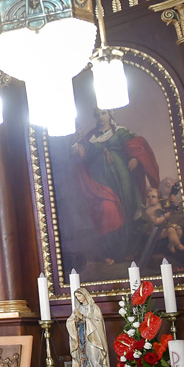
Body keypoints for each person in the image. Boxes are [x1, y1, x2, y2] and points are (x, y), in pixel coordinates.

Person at [71, 109, 159, 262]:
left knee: (128, 208)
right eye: (98, 114)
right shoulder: (91, 137)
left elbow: (136, 145)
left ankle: (130, 250)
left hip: (124, 180)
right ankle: (112, 252)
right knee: (108, 210)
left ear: (110, 114)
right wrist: (75, 142)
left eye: (103, 113)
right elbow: (81, 154)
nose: (101, 117)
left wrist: (135, 159)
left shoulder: (119, 132)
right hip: (101, 184)